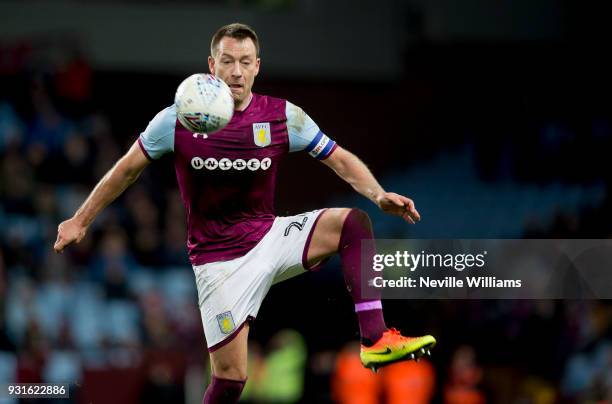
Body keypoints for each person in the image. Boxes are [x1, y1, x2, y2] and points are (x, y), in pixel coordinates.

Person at [54, 22, 436, 403]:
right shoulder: (177, 118)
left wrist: (378, 193)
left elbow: (339, 159)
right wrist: (80, 220)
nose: (236, 71)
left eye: (245, 62)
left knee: (353, 223)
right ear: (211, 65)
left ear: (257, 67)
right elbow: (126, 169)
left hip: (269, 237)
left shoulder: (283, 117)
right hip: (218, 263)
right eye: (227, 61)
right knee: (231, 380)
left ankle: (375, 337)